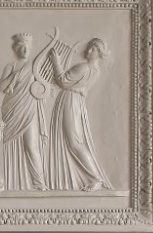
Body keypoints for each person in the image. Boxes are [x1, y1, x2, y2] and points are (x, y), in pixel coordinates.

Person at [46, 33, 112, 192]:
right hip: (77, 102)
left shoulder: (83, 67)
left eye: (94, 49)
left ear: (100, 53)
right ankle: (89, 178)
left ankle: (96, 178)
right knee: (74, 141)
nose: (89, 51)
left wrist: (56, 62)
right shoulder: (96, 71)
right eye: (89, 48)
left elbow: (62, 81)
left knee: (75, 142)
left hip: (70, 101)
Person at [0, 33, 56, 191]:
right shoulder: (11, 66)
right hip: (12, 109)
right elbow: (0, 87)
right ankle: (13, 182)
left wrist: (47, 91)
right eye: (21, 46)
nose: (24, 50)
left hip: (29, 110)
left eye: (27, 47)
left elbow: (44, 87)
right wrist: (14, 77)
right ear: (15, 48)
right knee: (10, 145)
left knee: (32, 146)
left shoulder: (35, 66)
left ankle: (39, 183)